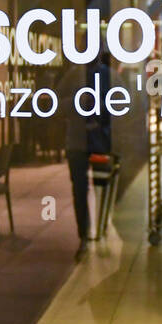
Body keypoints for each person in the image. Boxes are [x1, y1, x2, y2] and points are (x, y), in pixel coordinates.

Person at [56, 52, 112, 260]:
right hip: (77, 141)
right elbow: (56, 105)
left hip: (101, 140)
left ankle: (99, 229)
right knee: (79, 189)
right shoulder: (73, 75)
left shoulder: (107, 75)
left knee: (101, 186)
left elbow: (123, 105)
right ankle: (85, 235)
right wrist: (77, 101)